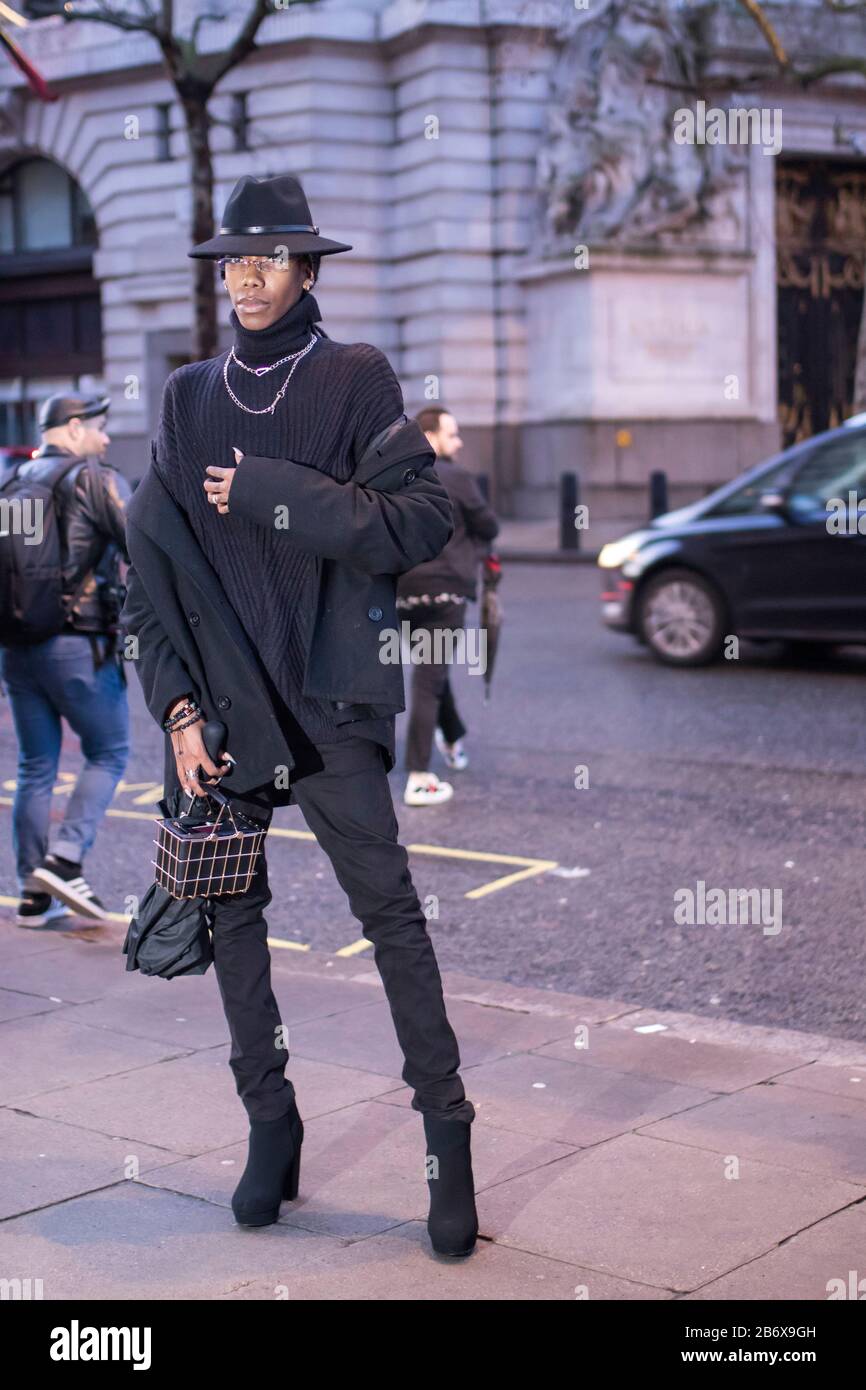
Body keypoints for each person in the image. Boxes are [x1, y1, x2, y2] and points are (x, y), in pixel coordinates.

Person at [119, 173, 479, 1258]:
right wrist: (176, 709)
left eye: (266, 257)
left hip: (330, 706)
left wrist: (279, 491)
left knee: (391, 919)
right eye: (232, 259)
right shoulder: (185, 398)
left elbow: (421, 517)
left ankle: (444, 1140)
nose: (244, 275)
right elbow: (152, 574)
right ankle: (269, 1126)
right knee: (235, 924)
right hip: (226, 716)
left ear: (307, 271)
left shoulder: (356, 379)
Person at [0, 394, 131, 925]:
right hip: (78, 644)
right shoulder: (95, 478)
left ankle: (33, 894)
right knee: (111, 752)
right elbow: (142, 546)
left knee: (36, 767)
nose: (103, 439)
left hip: (15, 647)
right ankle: (66, 858)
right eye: (99, 428)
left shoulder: (9, 483)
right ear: (74, 429)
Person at [396, 407, 499, 806]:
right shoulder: (456, 478)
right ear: (431, 436)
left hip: (403, 592)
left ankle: (452, 739)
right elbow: (489, 526)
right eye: (452, 435)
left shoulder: (399, 479)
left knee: (431, 669)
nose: (458, 443)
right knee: (428, 678)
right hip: (445, 592)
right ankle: (419, 776)